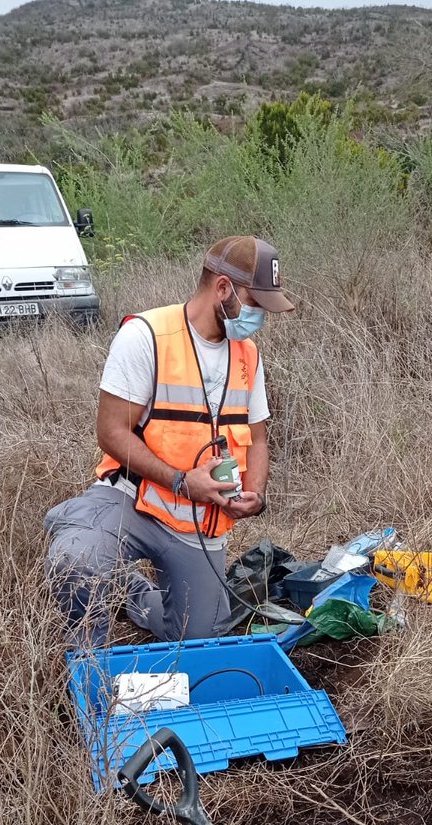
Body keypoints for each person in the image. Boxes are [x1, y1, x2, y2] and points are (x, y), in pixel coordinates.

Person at [44, 235, 295, 647]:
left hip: (197, 522)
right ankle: (88, 668)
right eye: (256, 305)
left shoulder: (248, 354)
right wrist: (181, 480)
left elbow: (258, 439)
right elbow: (110, 431)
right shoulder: (146, 336)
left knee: (197, 638)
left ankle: (132, 592)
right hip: (133, 499)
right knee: (77, 563)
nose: (260, 317)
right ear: (223, 288)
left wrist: (256, 494)